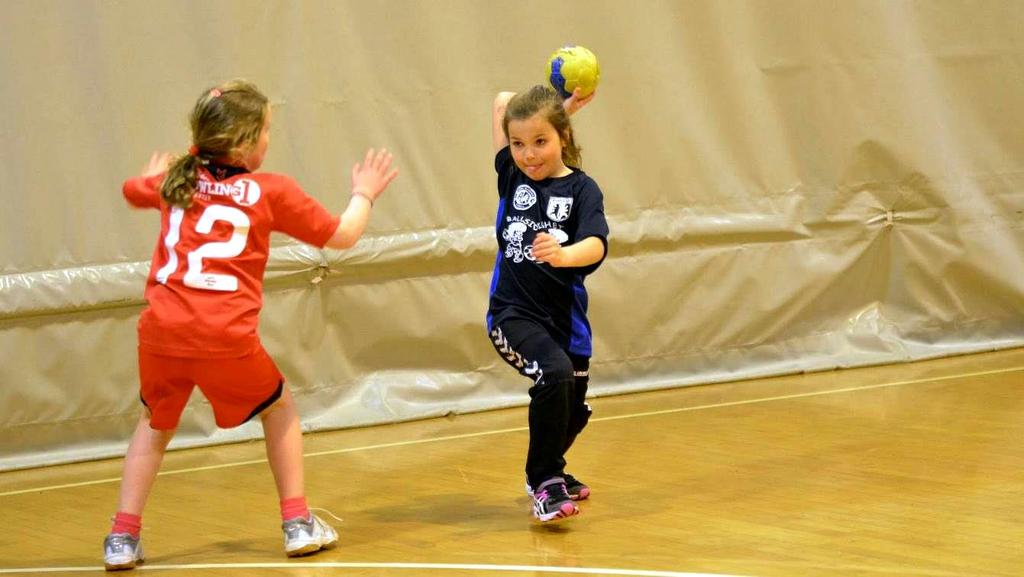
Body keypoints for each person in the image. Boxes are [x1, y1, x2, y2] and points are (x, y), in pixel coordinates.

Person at [103, 79, 398, 570]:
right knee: (279, 409)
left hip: (160, 332)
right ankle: (297, 522)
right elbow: (342, 235)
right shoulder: (270, 190)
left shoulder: (177, 178)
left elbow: (133, 191)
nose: (268, 141)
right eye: (265, 131)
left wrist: (150, 174)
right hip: (223, 336)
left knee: (153, 426)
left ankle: (121, 537)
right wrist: (363, 194)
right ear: (243, 143)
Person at [487, 84, 608, 523]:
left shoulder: (582, 190)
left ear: (564, 138)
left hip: (567, 323)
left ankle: (549, 469)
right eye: (518, 144)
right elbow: (503, 100)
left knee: (573, 408)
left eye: (541, 141)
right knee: (553, 375)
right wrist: (561, 106)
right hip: (512, 315)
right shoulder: (511, 176)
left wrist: (563, 255)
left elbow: (596, 244)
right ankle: (545, 482)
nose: (528, 155)